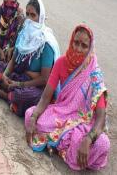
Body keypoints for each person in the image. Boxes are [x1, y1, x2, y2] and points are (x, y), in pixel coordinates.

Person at [25, 25, 109, 171]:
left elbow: (101, 117)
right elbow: (45, 98)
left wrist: (88, 139)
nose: (78, 49)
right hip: (62, 114)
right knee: (29, 114)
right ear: (71, 41)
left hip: (85, 122)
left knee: (102, 144)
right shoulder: (61, 63)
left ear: (90, 48)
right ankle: (63, 148)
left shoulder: (93, 73)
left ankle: (59, 146)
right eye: (76, 43)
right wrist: (33, 118)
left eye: (84, 46)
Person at [0, 0, 60, 117]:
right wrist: (5, 76)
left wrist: (18, 85)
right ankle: (9, 94)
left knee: (26, 95)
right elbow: (13, 60)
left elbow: (44, 79)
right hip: (18, 76)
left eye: (33, 15)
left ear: (41, 17)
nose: (29, 19)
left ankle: (4, 94)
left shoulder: (46, 42)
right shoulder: (24, 34)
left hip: (33, 86)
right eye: (27, 14)